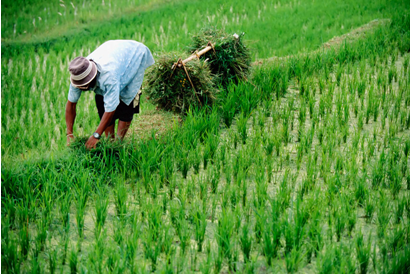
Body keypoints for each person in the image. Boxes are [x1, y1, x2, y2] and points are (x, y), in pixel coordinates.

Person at [65, 40, 155, 149]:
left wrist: (96, 135)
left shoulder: (108, 76)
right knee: (101, 101)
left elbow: (110, 109)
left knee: (128, 100)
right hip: (113, 54)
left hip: (133, 58)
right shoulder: (78, 74)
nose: (82, 89)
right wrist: (69, 134)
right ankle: (110, 142)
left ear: (92, 79)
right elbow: (71, 105)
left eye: (85, 86)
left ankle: (118, 142)